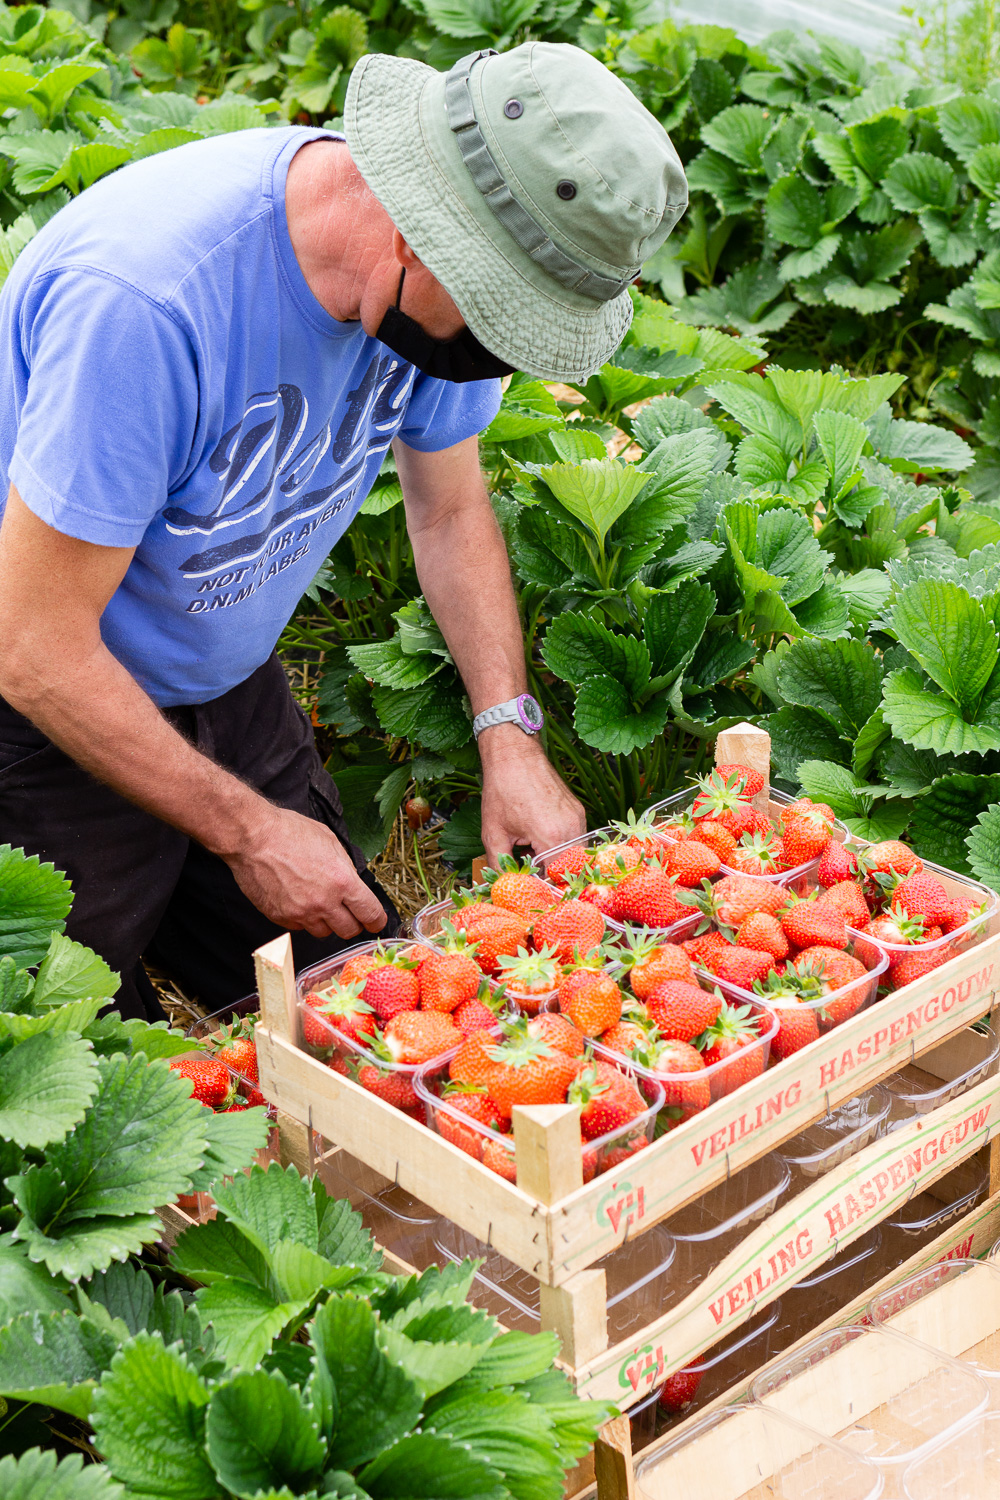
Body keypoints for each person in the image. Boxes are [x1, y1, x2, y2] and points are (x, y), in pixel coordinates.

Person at [0, 42, 688, 1020]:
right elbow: (32, 648)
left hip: (219, 669)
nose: (503, 353)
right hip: (45, 704)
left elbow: (447, 509)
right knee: (80, 1064)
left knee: (356, 1003)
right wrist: (245, 832)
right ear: (423, 237)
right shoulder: (148, 304)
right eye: (502, 322)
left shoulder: (438, 292)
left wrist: (508, 736)